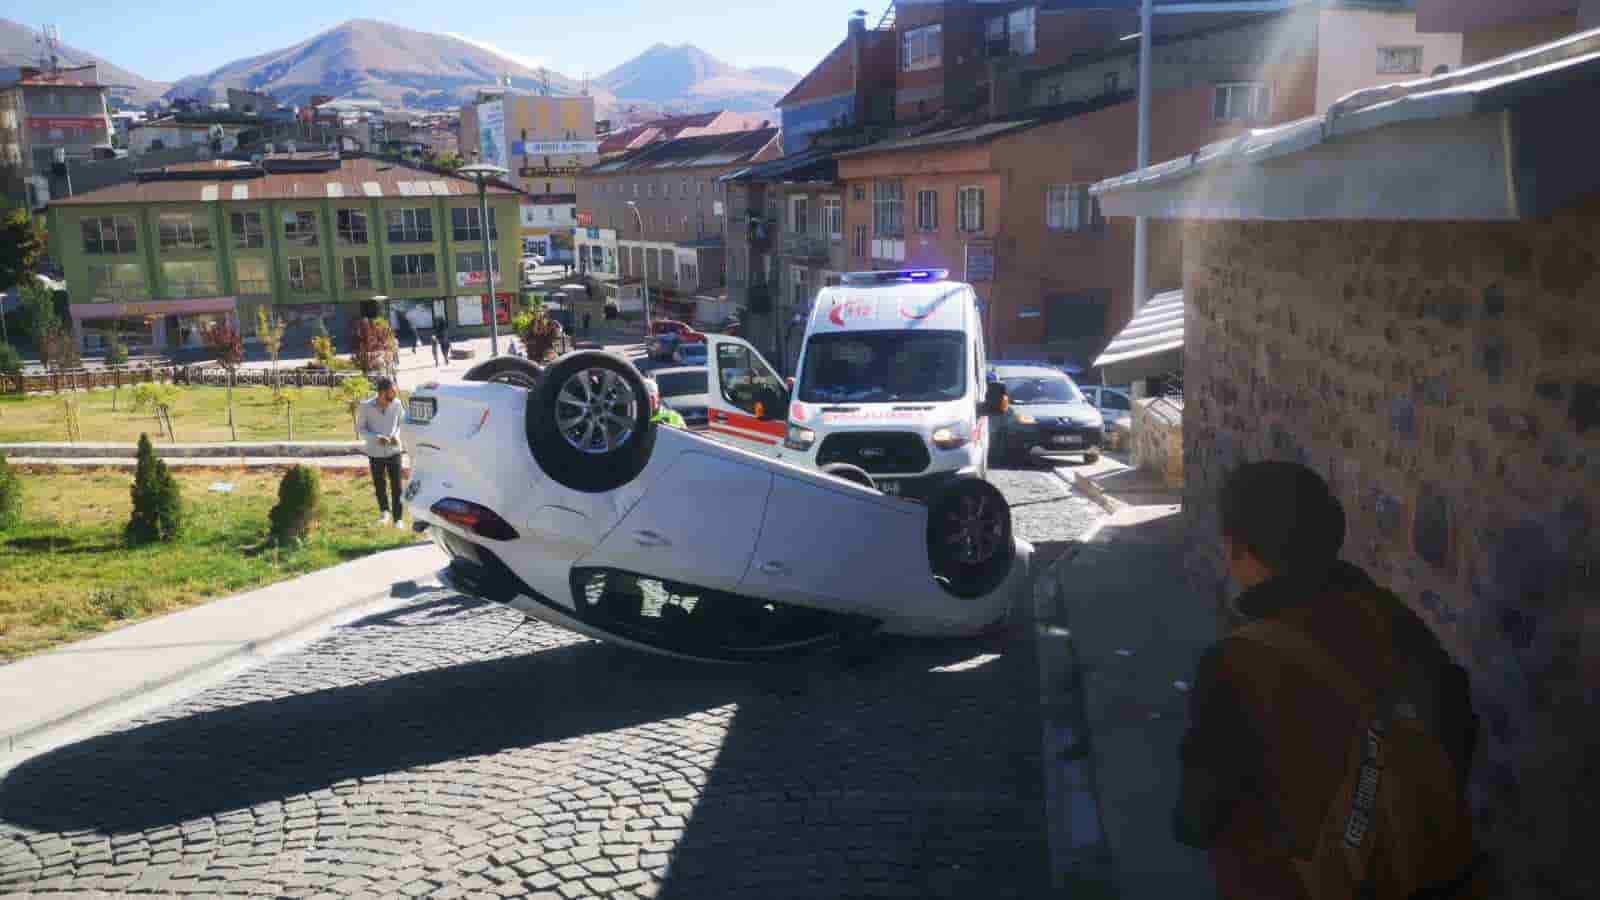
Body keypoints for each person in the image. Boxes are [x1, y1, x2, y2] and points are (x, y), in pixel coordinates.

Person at [1175, 461, 1483, 900]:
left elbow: (1199, 814)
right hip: (1414, 871)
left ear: (1238, 549)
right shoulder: (1388, 615)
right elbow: (1457, 723)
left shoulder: (1234, 664)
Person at [356, 376, 407, 529]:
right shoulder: (366, 407)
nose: (394, 395)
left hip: (394, 450)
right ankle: (384, 512)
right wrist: (375, 438)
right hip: (375, 452)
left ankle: (398, 519)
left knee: (397, 485)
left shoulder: (397, 404)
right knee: (380, 484)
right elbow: (360, 429)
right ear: (382, 392)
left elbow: (402, 423)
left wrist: (396, 436)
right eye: (391, 392)